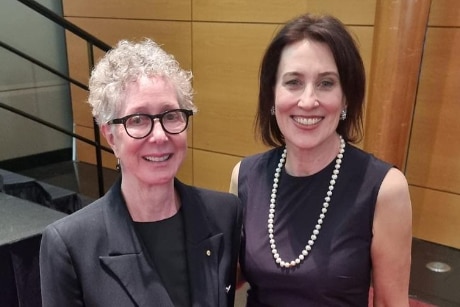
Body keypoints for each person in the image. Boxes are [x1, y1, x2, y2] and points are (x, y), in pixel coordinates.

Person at [40, 38, 242, 307]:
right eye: (137, 120)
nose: (159, 136)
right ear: (110, 136)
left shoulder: (225, 213)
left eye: (171, 115)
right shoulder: (69, 244)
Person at [229, 13, 412, 306]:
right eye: (293, 82)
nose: (308, 101)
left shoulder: (384, 189)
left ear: (346, 99)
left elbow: (391, 303)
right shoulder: (246, 176)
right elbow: (227, 277)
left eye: (326, 83)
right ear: (271, 96)